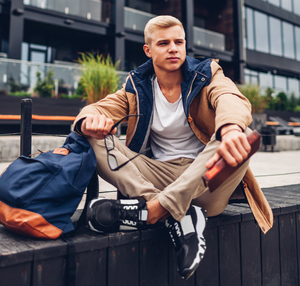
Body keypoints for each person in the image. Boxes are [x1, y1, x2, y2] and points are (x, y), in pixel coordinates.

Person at [73, 15, 273, 280]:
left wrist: (231, 127)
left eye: (179, 42)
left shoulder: (206, 74)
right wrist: (90, 120)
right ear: (148, 50)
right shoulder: (137, 86)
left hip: (205, 181)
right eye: (164, 43)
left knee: (243, 135)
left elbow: (229, 97)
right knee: (89, 135)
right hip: (158, 175)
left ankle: (154, 210)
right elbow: (96, 109)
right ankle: (175, 212)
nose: (173, 48)